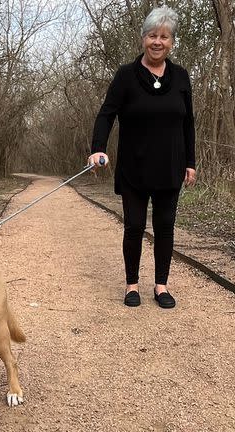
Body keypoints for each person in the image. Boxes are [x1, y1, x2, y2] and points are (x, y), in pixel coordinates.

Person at [88, 5, 196, 308]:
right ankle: (131, 285)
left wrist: (191, 162)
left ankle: (161, 286)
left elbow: (188, 123)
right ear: (143, 39)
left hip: (170, 167)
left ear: (172, 41)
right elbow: (106, 114)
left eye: (164, 36)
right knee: (134, 226)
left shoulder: (182, 77)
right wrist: (98, 147)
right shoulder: (126, 76)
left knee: (165, 226)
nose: (158, 41)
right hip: (134, 167)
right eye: (152, 35)